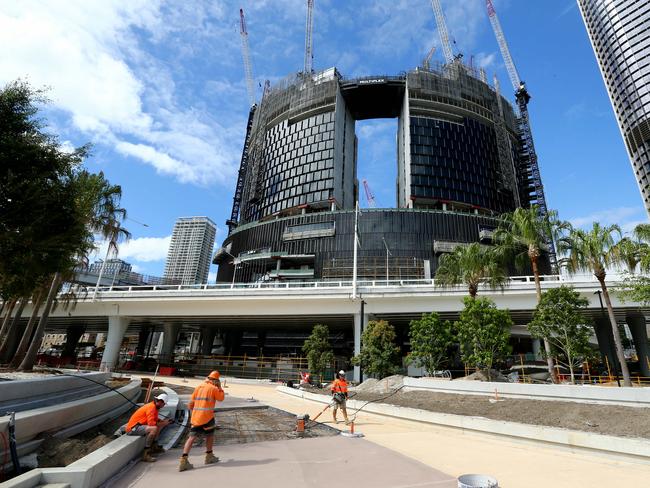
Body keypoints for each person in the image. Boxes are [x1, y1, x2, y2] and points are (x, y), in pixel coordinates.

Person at [179, 370, 225, 472]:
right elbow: (221, 398)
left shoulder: (198, 387)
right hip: (208, 418)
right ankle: (209, 456)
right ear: (216, 380)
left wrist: (195, 412)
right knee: (209, 435)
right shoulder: (213, 388)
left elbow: (190, 404)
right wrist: (220, 387)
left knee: (191, 438)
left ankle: (183, 460)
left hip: (196, 418)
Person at [125, 393, 173, 462]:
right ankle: (146, 453)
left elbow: (155, 419)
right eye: (164, 404)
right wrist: (163, 423)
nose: (164, 405)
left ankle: (154, 447)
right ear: (160, 401)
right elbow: (151, 423)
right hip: (132, 429)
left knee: (158, 426)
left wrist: (163, 421)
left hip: (138, 426)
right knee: (154, 428)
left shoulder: (155, 407)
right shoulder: (151, 407)